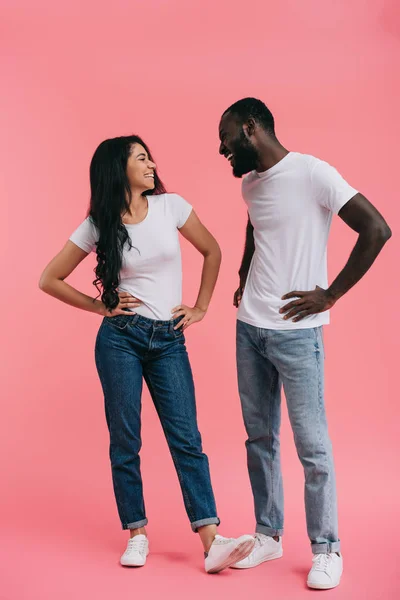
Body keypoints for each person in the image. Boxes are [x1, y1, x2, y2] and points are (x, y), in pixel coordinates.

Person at [39, 134, 255, 573]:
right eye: (141, 157)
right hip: (120, 338)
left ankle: (212, 540)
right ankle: (136, 533)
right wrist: (101, 306)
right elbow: (50, 278)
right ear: (119, 169)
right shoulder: (99, 223)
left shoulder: (170, 206)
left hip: (169, 339)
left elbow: (213, 250)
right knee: (126, 439)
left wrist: (200, 306)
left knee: (186, 439)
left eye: (150, 156)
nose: (152, 163)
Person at [218, 98, 391, 589]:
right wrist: (242, 276)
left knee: (312, 448)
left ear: (250, 128)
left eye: (226, 137)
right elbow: (256, 227)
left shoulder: (313, 173)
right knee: (259, 439)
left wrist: (330, 293)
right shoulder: (251, 184)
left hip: (297, 336)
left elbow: (377, 229)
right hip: (249, 330)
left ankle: (327, 547)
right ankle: (269, 535)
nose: (221, 149)